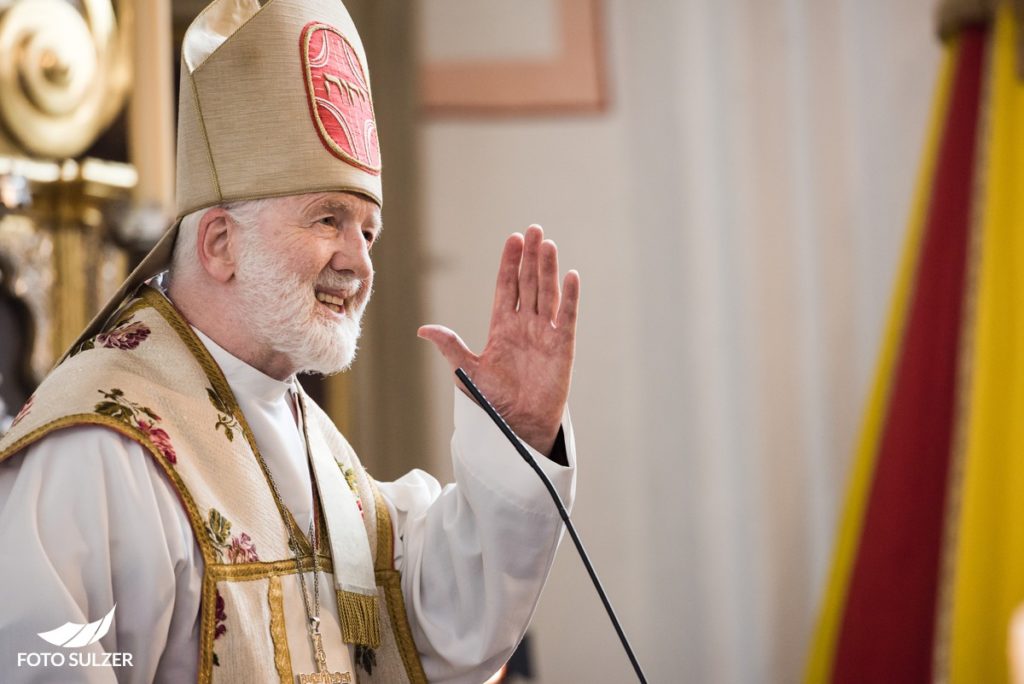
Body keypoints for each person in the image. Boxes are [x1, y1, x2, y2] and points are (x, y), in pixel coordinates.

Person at [0, 0, 580, 682]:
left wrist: (521, 437)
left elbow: (433, 628)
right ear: (220, 244)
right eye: (327, 219)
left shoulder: (312, 446)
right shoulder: (100, 445)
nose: (359, 262)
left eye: (367, 232)